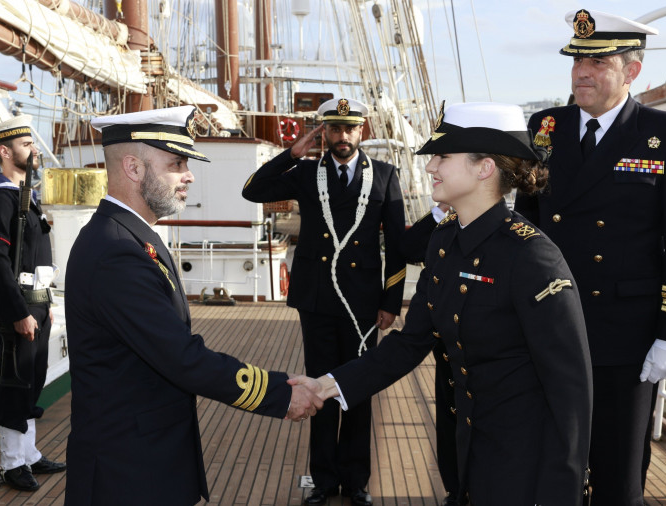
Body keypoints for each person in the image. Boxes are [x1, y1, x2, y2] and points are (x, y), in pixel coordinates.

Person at [298, 102, 593, 505]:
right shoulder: (445, 240)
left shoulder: (531, 258)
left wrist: (564, 491)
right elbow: (410, 342)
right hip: (463, 448)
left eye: (443, 156)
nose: (431, 167)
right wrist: (327, 385)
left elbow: (570, 391)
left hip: (521, 462)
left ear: (484, 168)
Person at [63, 105, 322, 505]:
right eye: (176, 164)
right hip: (127, 476)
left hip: (146, 463)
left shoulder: (130, 237)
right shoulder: (115, 251)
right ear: (133, 168)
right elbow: (182, 357)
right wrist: (279, 393)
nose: (189, 175)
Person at [513, 10, 666, 505]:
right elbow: (527, 226)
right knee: (553, 464)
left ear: (632, 71)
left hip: (627, 336)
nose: (581, 73)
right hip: (551, 324)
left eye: (597, 62)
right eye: (577, 61)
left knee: (618, 479)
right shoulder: (545, 128)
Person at [242, 97, 407, 506]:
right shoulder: (305, 171)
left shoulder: (385, 176)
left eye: (349, 129)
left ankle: (356, 482)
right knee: (318, 389)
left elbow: (398, 247)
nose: (343, 137)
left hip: (364, 304)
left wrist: (391, 301)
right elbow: (253, 191)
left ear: (362, 130)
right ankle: (324, 479)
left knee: (358, 389)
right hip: (317, 299)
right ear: (325, 133)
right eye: (334, 129)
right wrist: (290, 154)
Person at [0, 115, 66, 492]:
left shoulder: (24, 197)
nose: (35, 149)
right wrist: (17, 312)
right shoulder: (0, 198)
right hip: (18, 308)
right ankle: (13, 463)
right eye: (26, 144)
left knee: (33, 381)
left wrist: (42, 302)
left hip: (36, 303)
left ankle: (28, 453)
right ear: (5, 151)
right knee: (16, 382)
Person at [400, 202, 460, 506]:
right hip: (446, 346)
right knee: (449, 418)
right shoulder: (443, 224)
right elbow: (407, 249)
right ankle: (454, 490)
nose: (432, 169)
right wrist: (440, 212)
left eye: (444, 161)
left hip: (488, 356)